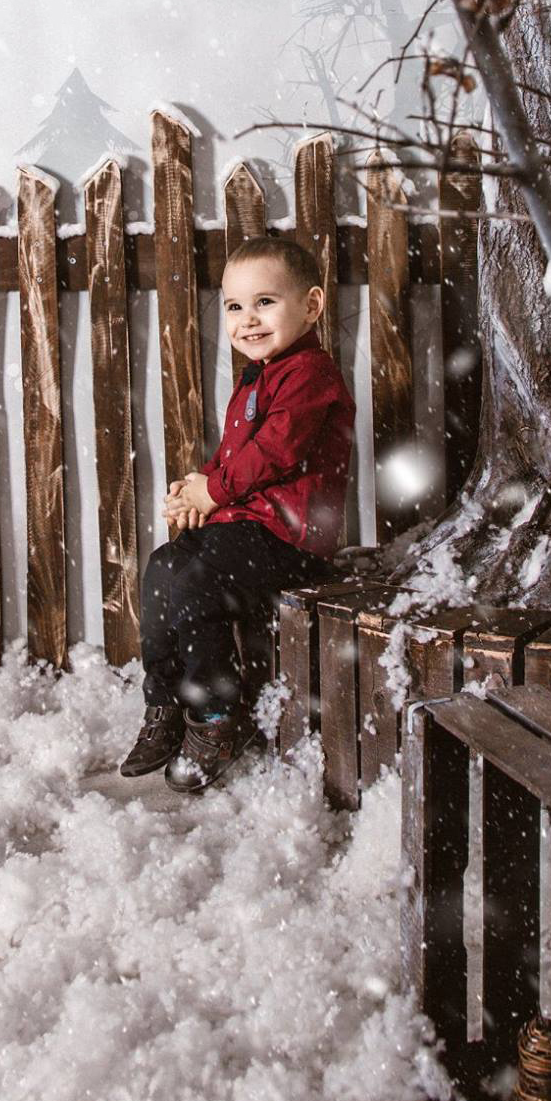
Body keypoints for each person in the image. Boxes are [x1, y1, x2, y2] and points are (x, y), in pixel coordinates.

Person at [119, 233, 355, 792]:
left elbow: (275, 452)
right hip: (248, 528)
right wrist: (194, 489)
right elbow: (234, 456)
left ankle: (219, 714)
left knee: (196, 582)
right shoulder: (257, 376)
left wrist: (215, 491)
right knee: (162, 568)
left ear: (311, 306)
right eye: (234, 306)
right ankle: (166, 702)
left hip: (291, 539)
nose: (248, 319)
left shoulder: (310, 373)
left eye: (264, 302)